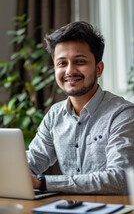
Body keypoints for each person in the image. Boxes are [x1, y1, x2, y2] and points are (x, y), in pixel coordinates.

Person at [27, 21, 134, 194]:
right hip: (70, 208)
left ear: (98, 69)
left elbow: (119, 179)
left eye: (80, 61)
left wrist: (43, 182)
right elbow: (32, 160)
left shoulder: (123, 114)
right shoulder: (55, 115)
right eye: (62, 63)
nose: (70, 71)